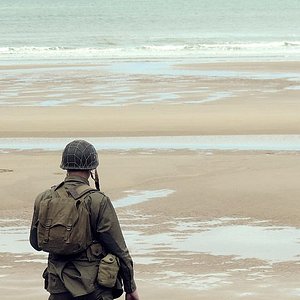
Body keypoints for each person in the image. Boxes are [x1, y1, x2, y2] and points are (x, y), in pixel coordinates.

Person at [29, 140, 139, 300]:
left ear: (65, 166)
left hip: (57, 287)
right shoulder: (97, 200)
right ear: (92, 169)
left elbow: (35, 243)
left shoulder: (44, 198)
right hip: (93, 289)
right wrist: (130, 287)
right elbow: (119, 249)